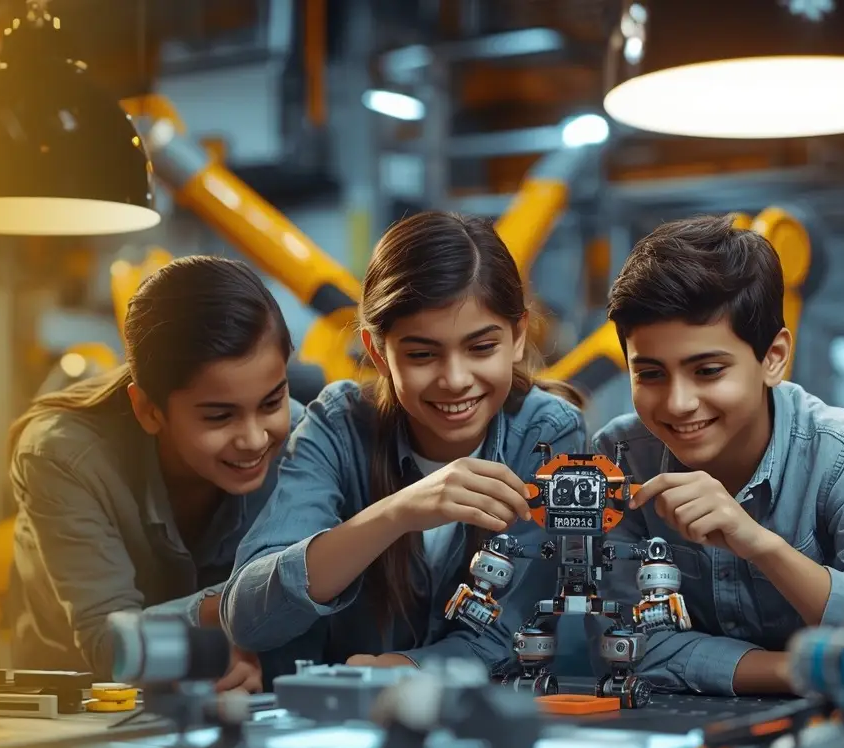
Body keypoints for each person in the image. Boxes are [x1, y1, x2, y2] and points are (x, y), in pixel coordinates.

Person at [221, 211, 587, 676]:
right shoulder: (338, 425)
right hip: (344, 723)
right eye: (421, 355)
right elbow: (248, 618)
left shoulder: (547, 433)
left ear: (517, 337)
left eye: (481, 348)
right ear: (377, 352)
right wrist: (397, 512)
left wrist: (399, 668)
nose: (455, 380)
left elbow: (519, 631)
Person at [593, 215, 844, 696]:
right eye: (650, 374)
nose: (678, 402)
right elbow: (628, 643)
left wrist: (760, 545)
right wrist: (805, 670)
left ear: (773, 357)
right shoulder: (621, 455)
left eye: (708, 370)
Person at [9, 256, 303, 689]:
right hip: (73, 704)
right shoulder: (62, 456)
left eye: (271, 402)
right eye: (220, 417)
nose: (255, 439)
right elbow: (109, 643)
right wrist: (249, 603)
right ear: (148, 409)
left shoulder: (300, 439)